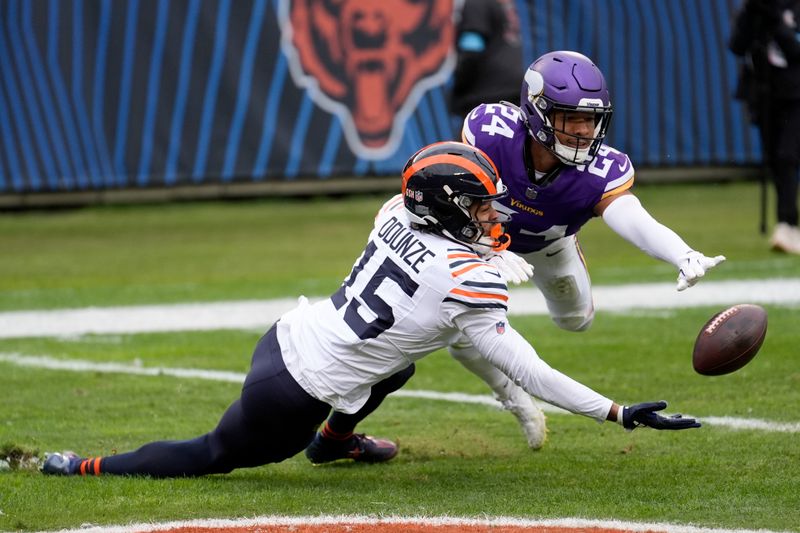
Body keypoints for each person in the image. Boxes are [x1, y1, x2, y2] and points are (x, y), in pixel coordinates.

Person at [41, 142, 700, 478]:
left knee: (397, 366)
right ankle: (85, 466)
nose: (489, 215)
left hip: (291, 334)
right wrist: (614, 411)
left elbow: (433, 252)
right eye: (476, 206)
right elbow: (530, 369)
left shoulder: (396, 211)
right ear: (445, 208)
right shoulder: (465, 279)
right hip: (291, 391)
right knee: (213, 453)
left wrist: (486, 255)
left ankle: (336, 441)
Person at [438, 50, 727, 451]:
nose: (582, 131)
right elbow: (453, 189)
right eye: (570, 118)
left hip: (549, 245)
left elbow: (630, 214)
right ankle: (511, 394)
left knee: (576, 320)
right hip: (480, 241)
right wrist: (483, 247)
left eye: (590, 120)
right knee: (460, 332)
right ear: (537, 112)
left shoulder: (600, 170)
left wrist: (680, 252)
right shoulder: (491, 132)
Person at [729, 0, 800, 254]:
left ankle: (787, 221)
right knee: (774, 160)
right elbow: (737, 46)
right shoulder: (756, 9)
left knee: (787, 156)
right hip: (765, 96)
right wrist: (752, 13)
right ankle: (788, 223)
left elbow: (794, 49)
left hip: (795, 96)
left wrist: (776, 21)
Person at [449, 0, 523, 119]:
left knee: (469, 137)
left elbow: (472, 50)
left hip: (486, 95)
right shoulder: (506, 6)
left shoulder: (477, 3)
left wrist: (460, 89)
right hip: (514, 92)